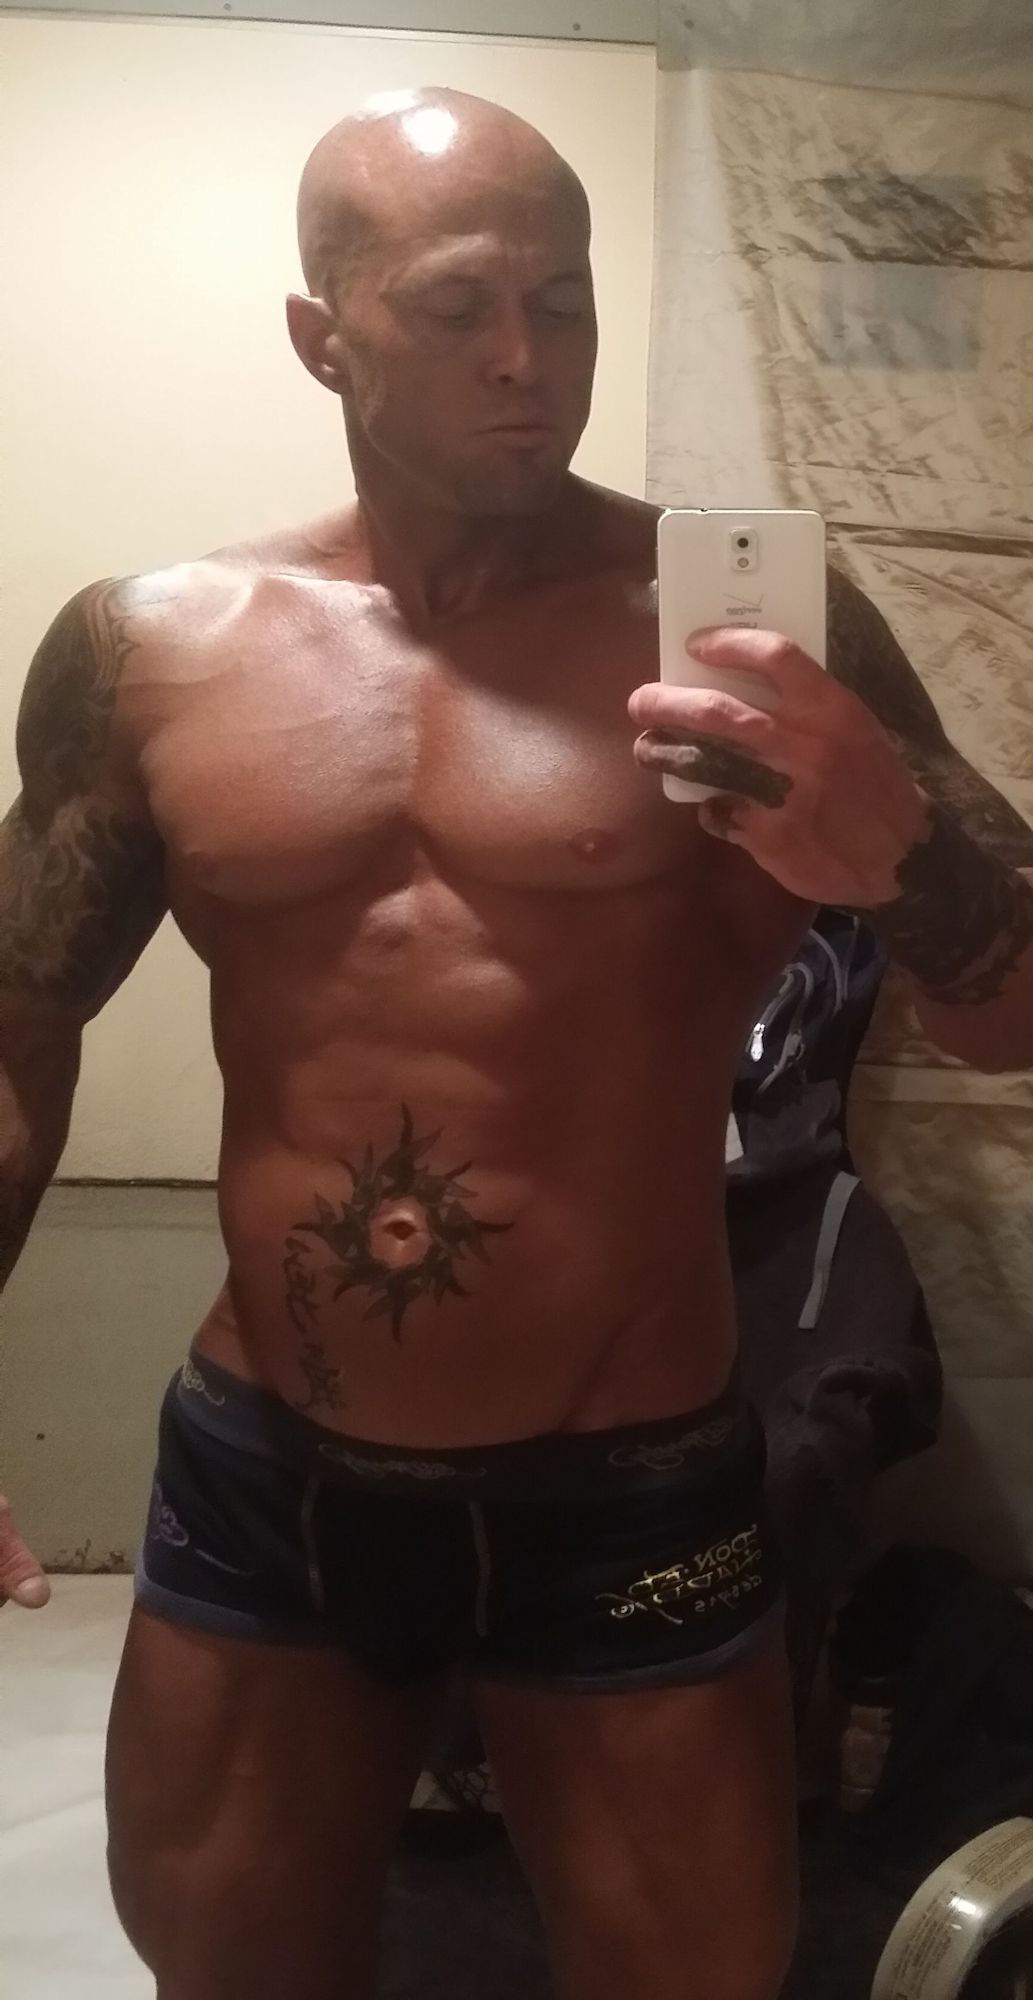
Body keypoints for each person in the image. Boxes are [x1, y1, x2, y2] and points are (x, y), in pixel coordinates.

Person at [2, 84, 1032, 2000]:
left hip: (624, 1484)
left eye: (561, 302)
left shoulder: (744, 631)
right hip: (266, 1473)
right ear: (320, 335)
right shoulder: (152, 652)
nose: (524, 358)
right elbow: (17, 1023)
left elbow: (1008, 1012)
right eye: (459, 304)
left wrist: (892, 857)